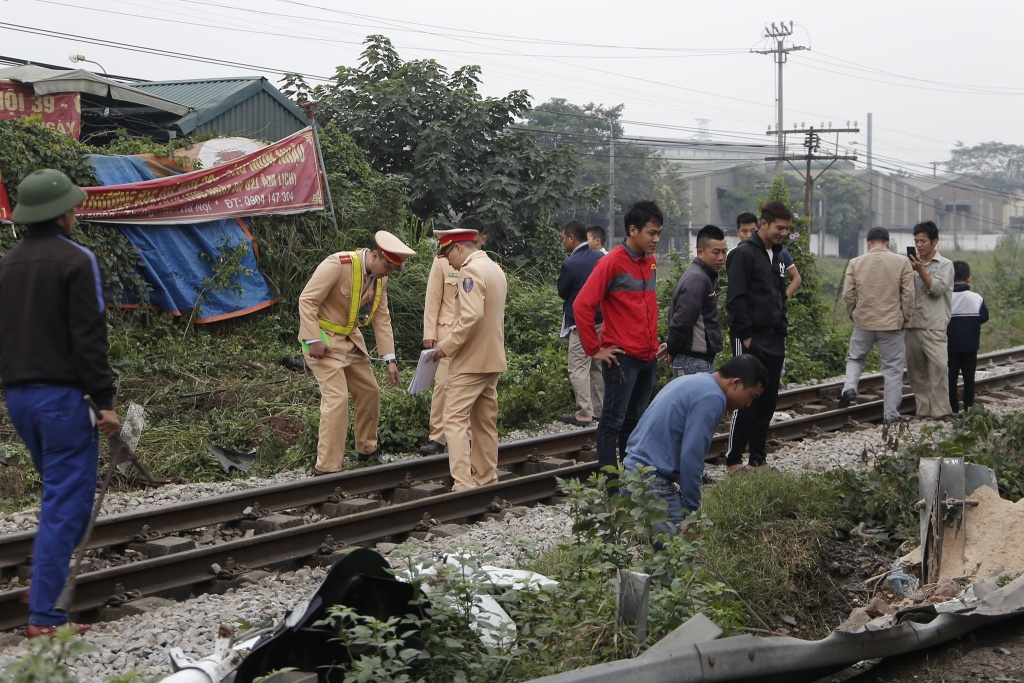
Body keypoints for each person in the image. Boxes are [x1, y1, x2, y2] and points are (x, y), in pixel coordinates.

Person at [0, 169, 122, 638]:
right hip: (63, 399)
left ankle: (43, 584)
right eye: (73, 207)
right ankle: (46, 617)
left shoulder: (7, 264)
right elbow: (88, 338)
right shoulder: (77, 260)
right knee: (66, 504)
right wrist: (104, 400)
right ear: (63, 213)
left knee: (59, 495)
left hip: (18, 398)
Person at [298, 231, 415, 473]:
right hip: (323, 341)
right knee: (337, 399)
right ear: (374, 255)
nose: (389, 273)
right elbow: (307, 300)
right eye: (388, 267)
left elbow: (382, 318)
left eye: (394, 269)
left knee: (370, 391)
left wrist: (390, 359)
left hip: (351, 341)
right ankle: (327, 467)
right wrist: (312, 339)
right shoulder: (337, 264)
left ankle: (367, 450)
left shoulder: (380, 277)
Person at [622, 355, 767, 534]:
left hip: (633, 472)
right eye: (751, 396)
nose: (748, 404)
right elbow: (692, 457)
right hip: (651, 481)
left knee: (657, 552)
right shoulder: (713, 398)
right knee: (682, 553)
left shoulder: (696, 381)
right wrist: (692, 512)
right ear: (736, 383)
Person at [574, 201, 666, 473]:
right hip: (623, 360)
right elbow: (582, 305)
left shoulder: (649, 261)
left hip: (648, 357)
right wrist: (594, 349)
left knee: (635, 421)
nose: (656, 239)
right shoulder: (611, 262)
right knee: (611, 423)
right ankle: (611, 485)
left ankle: (630, 479)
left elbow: (645, 305)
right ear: (633, 230)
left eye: (659, 233)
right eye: (651, 233)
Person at [426, 222, 508, 491]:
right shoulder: (494, 269)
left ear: (459, 248)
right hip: (492, 359)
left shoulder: (470, 272)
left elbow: (471, 317)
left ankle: (463, 483)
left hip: (470, 361)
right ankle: (486, 477)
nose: (450, 263)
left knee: (454, 419)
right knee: (485, 422)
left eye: (449, 255)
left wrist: (445, 346)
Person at [724, 200, 793, 473]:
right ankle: (733, 461)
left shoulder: (776, 255)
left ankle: (758, 460)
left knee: (767, 400)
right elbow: (736, 299)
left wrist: (781, 328)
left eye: (787, 229)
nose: (783, 233)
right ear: (763, 224)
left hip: (774, 337)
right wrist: (746, 335)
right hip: (751, 338)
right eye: (779, 227)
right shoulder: (743, 254)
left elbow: (779, 294)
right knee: (745, 400)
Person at [419, 220, 488, 455]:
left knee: (464, 388)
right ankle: (437, 437)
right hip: (444, 335)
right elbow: (433, 298)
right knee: (442, 386)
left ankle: (463, 437)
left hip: (469, 338)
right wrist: (429, 333)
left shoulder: (481, 265)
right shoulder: (441, 263)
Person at [838, 227, 915, 422]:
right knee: (892, 370)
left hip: (863, 321)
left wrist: (853, 314)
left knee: (855, 358)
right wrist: (904, 317)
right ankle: (890, 414)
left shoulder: (856, 262)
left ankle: (849, 388)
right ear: (888, 243)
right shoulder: (902, 262)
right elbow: (908, 295)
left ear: (868, 243)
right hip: (891, 324)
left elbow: (848, 294)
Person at [557, 219, 605, 426]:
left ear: (571, 238)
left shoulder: (570, 264)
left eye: (563, 239)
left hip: (581, 324)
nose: (562, 243)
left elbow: (562, 292)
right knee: (597, 366)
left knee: (578, 367)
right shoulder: (600, 258)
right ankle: (599, 408)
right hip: (602, 321)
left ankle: (585, 412)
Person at [905, 220, 955, 418]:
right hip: (911, 323)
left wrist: (920, 270)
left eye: (923, 241)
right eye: (916, 241)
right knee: (916, 371)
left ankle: (942, 411)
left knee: (939, 368)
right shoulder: (909, 264)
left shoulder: (945, 265)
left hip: (933, 325)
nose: (919, 245)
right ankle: (923, 411)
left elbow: (936, 289)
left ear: (935, 241)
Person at [666, 224, 727, 377]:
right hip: (693, 362)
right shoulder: (698, 279)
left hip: (695, 361)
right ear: (700, 252)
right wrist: (672, 350)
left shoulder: (701, 275)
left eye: (724, 251)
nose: (721, 257)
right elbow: (681, 321)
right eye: (716, 252)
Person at [947, 261, 988, 413]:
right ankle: (969, 408)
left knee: (950, 378)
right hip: (970, 347)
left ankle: (953, 408)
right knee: (968, 378)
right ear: (969, 279)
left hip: (950, 346)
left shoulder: (946, 298)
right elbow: (984, 317)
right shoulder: (976, 298)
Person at [736, 212, 801, 298]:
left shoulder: (780, 253)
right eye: (744, 231)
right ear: (738, 232)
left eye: (752, 231)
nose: (748, 235)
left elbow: (796, 278)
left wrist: (783, 300)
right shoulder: (736, 254)